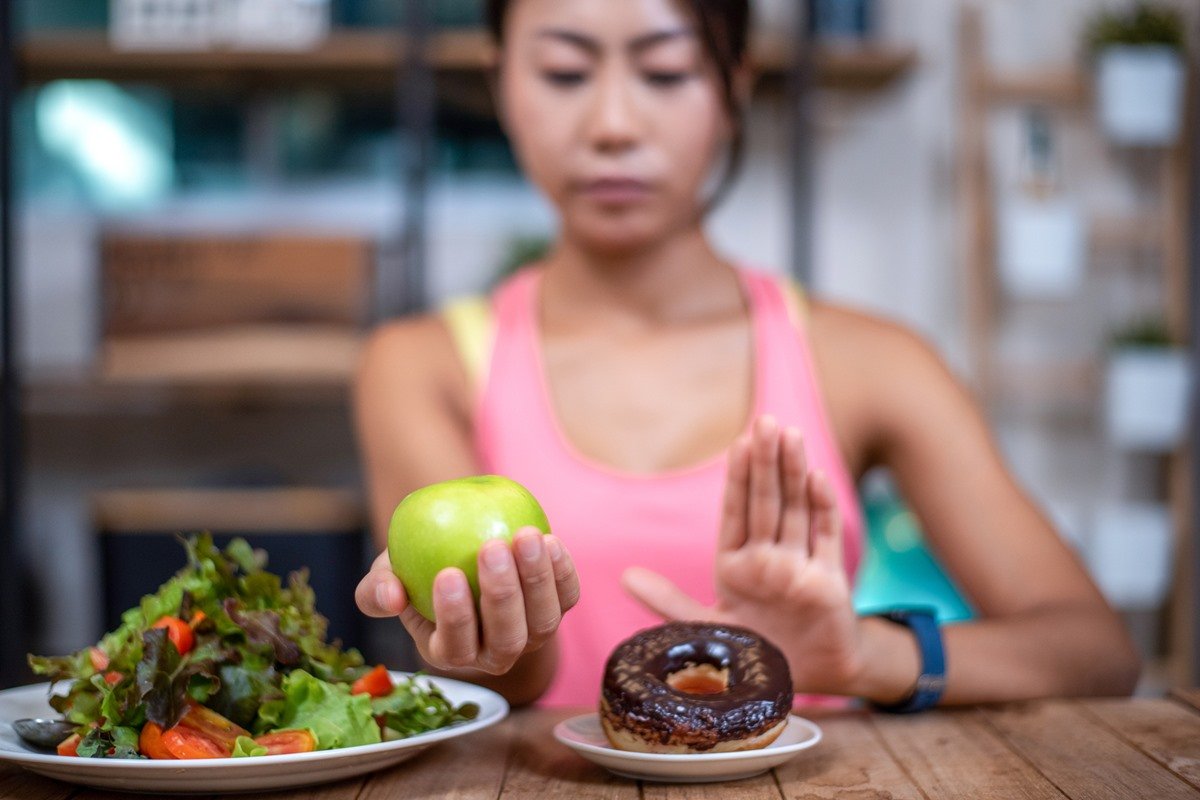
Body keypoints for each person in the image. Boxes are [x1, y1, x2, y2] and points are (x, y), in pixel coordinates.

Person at [354, 0, 1140, 709]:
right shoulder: (419, 366)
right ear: (502, 84)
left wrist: (863, 656)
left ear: (734, 86)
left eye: (665, 72)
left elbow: (1094, 652)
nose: (613, 123)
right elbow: (511, 681)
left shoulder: (873, 361)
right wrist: (506, 644)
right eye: (564, 72)